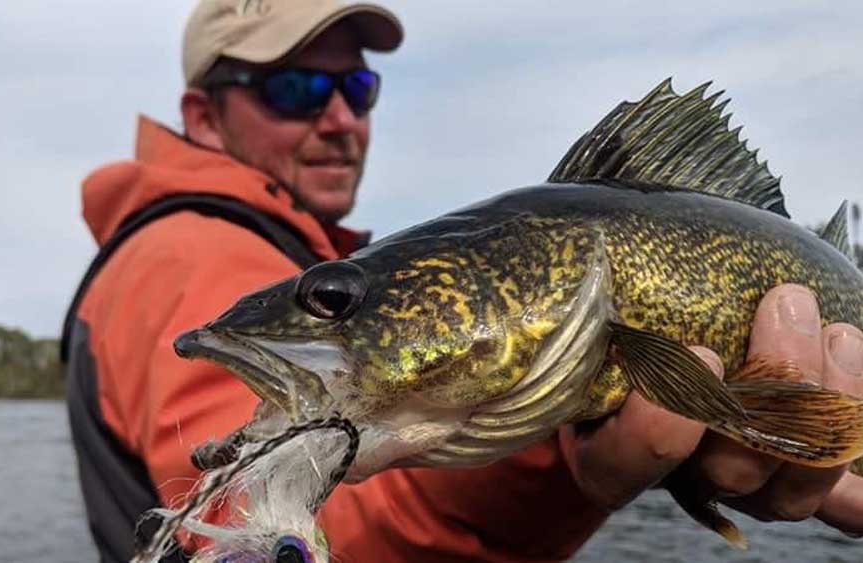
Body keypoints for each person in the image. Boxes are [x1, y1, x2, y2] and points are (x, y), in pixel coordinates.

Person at [64, 1, 863, 561]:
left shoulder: (243, 240)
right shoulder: (188, 251)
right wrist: (557, 451)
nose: (340, 118)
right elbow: (299, 529)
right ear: (202, 116)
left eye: (358, 87)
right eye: (296, 87)